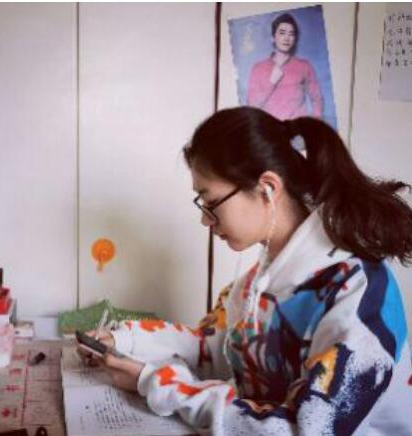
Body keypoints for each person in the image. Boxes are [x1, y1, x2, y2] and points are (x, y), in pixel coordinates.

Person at [77, 106, 412, 435]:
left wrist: (156, 384)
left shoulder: (358, 295)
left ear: (268, 188)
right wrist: (125, 340)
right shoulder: (257, 282)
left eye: (211, 202)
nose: (205, 220)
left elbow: (305, 429)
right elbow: (214, 348)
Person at [246, 13, 323, 121]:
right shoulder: (258, 68)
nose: (287, 38)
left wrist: (315, 123)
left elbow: (317, 98)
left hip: (296, 129)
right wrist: (271, 82)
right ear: (273, 38)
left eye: (291, 34)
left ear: (295, 39)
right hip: (270, 128)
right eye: (282, 33)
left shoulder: (304, 66)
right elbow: (252, 105)